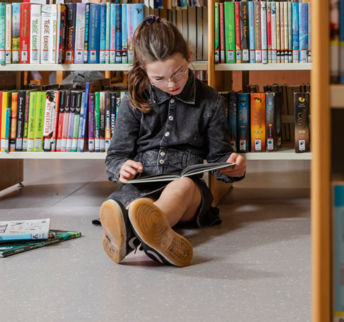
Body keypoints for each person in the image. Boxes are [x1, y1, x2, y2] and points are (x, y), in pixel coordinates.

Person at [99, 15, 247, 267]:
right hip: (143, 187)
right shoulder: (134, 99)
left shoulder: (210, 100)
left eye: (178, 73)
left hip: (187, 194)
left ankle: (133, 235)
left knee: (183, 186)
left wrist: (233, 168)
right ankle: (151, 234)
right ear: (143, 69)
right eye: (158, 78)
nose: (170, 83)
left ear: (188, 57)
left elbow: (220, 158)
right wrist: (122, 167)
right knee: (140, 205)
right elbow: (114, 157)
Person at [45, 0, 118, 86]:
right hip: (88, 64)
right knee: (53, 76)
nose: (89, 6)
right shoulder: (115, 13)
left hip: (95, 68)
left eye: (90, 2)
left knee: (67, 84)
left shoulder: (102, 16)